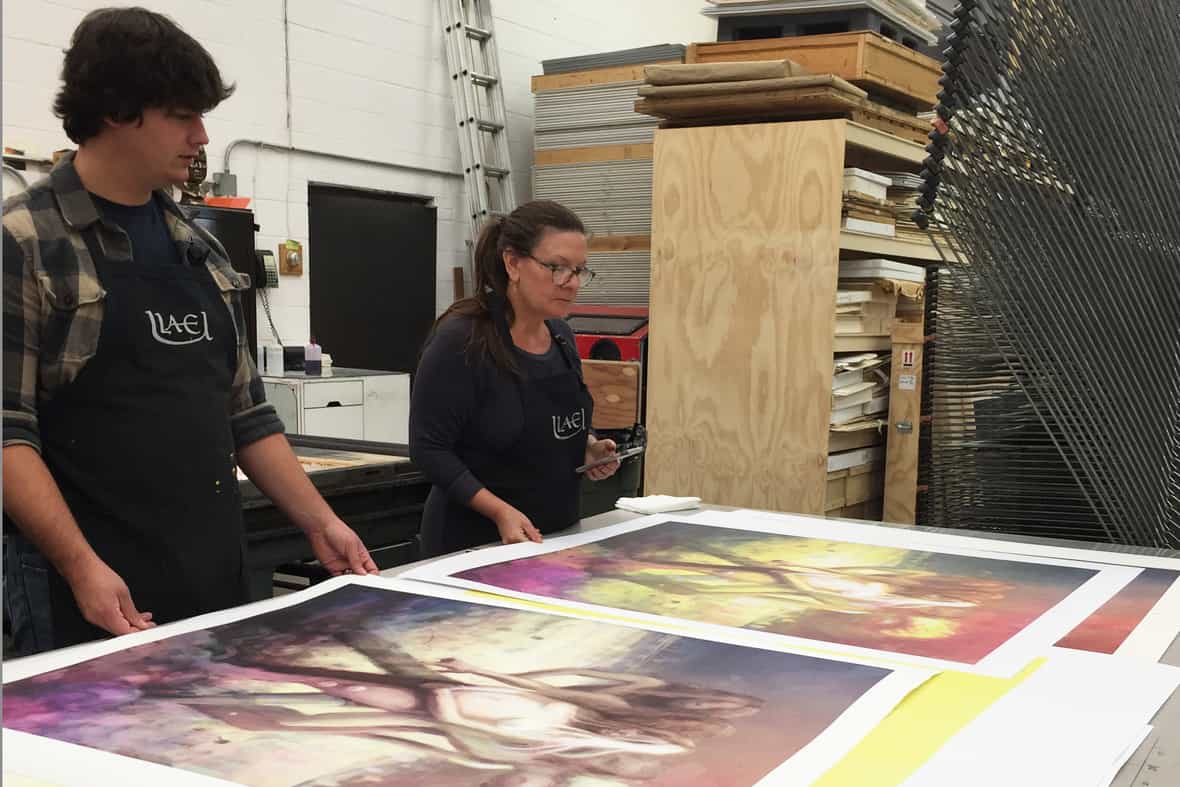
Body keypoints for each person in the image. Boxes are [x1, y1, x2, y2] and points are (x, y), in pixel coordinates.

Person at [1, 7, 378, 657]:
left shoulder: (198, 250)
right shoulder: (27, 241)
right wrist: (80, 565)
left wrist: (322, 521)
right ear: (118, 111)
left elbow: (248, 416)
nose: (202, 135)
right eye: (182, 115)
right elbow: (8, 434)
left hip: (212, 576)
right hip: (88, 589)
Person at [409, 201, 620, 558]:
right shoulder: (462, 341)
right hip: (475, 545)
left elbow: (547, 429)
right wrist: (499, 511)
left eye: (580, 270)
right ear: (512, 263)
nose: (571, 284)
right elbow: (429, 449)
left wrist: (587, 447)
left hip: (556, 537)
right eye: (557, 268)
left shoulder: (561, 337)